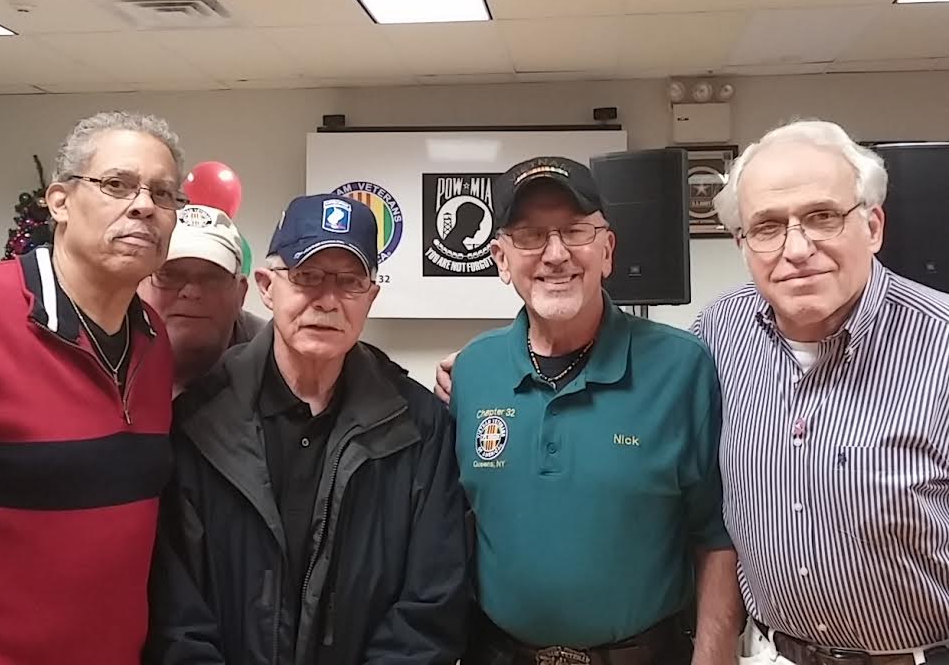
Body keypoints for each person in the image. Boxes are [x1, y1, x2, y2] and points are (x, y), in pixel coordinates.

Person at [145, 193, 469, 665]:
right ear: (266, 287)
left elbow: (430, 607)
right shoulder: (198, 422)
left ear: (371, 297)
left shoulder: (420, 427)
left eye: (350, 282)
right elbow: (176, 614)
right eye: (307, 276)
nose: (327, 301)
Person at [443, 156, 740, 665]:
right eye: (530, 236)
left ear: (608, 251)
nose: (556, 254)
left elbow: (717, 535)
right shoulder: (473, 371)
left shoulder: (681, 367)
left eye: (576, 231)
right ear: (500, 259)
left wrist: (713, 658)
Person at [696, 120, 949, 664]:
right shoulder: (718, 331)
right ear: (743, 245)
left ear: (873, 226)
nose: (796, 248)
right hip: (774, 653)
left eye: (822, 217)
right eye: (767, 226)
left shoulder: (942, 344)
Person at [0, 111, 185, 665]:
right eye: (117, 184)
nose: (144, 206)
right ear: (59, 202)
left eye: (163, 194)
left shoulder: (153, 340)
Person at [138, 204, 264, 396]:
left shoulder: (276, 365)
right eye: (170, 275)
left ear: (241, 292)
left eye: (212, 278)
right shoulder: (104, 353)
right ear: (137, 284)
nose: (192, 292)